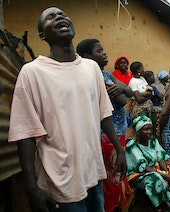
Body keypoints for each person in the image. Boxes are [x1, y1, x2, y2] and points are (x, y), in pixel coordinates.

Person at [8, 7, 126, 212]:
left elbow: (104, 115)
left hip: (93, 174)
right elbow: (24, 132)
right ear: (42, 35)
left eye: (62, 14)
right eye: (50, 17)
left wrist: (119, 149)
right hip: (59, 183)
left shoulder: (91, 68)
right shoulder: (32, 72)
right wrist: (30, 187)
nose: (59, 17)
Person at [76, 38, 133, 212]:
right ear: (86, 56)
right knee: (110, 177)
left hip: (117, 132)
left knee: (115, 175)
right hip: (106, 134)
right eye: (99, 51)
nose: (104, 53)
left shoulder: (106, 74)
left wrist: (122, 89)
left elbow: (129, 92)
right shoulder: (95, 75)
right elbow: (123, 100)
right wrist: (122, 90)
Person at [126, 115, 170, 211]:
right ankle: (158, 206)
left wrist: (167, 172)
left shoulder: (152, 140)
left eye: (150, 129)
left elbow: (160, 156)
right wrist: (165, 176)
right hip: (139, 174)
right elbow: (144, 167)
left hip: (155, 168)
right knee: (155, 179)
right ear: (138, 132)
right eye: (145, 129)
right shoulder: (132, 146)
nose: (149, 132)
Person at [143, 70, 163, 139]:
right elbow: (160, 97)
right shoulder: (152, 88)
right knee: (157, 129)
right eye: (152, 76)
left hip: (148, 110)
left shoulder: (143, 87)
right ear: (148, 78)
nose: (154, 78)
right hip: (155, 111)